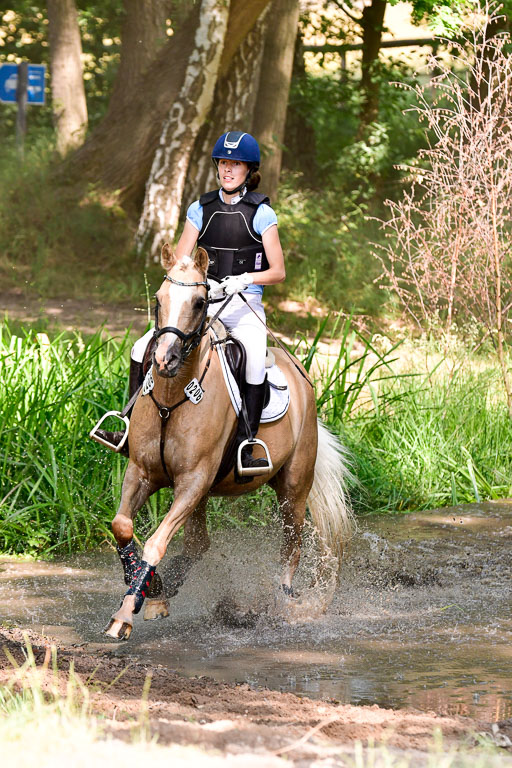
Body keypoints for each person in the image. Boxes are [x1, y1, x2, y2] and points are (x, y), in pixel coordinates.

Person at [93, 130, 285, 474]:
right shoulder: (201, 209)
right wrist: (196, 281)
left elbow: (278, 271)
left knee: (255, 360)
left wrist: (245, 279)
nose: (228, 170)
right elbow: (181, 261)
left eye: (235, 164)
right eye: (223, 163)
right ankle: (129, 425)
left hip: (243, 303)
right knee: (141, 348)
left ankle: (247, 444)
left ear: (249, 170)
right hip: (202, 302)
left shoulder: (261, 214)